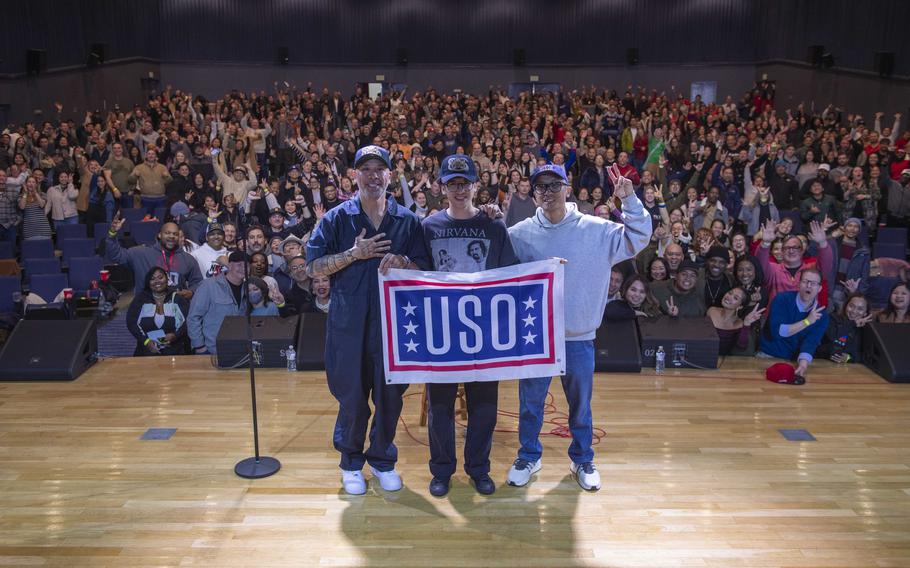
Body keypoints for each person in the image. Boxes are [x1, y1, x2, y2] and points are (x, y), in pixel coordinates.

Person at [506, 162, 651, 491]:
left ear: (567, 188)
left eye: (554, 185)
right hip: (536, 339)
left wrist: (629, 200)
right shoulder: (519, 234)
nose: (548, 192)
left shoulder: (596, 230)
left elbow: (639, 236)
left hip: (578, 336)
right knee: (530, 404)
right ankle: (529, 455)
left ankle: (583, 457)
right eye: (541, 186)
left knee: (580, 405)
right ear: (533, 193)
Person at [305, 145, 430, 495]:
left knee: (391, 396)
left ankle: (382, 459)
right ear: (354, 175)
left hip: (396, 323)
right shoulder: (335, 219)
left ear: (390, 175)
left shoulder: (407, 220)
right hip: (349, 322)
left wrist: (404, 262)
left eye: (380, 169)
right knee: (352, 395)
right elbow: (312, 266)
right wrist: (352, 254)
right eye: (366, 169)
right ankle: (350, 462)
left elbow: (426, 269)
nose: (373, 176)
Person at [420, 154, 519, 498]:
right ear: (441, 187)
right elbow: (417, 275)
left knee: (484, 408)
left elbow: (511, 273)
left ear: (476, 185)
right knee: (441, 408)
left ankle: (479, 468)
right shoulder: (429, 226)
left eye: (465, 183)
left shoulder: (494, 225)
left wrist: (549, 270)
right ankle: (442, 471)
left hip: (484, 333)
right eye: (452, 184)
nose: (459, 190)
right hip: (442, 333)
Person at [758, 267, 829, 384]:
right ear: (799, 284)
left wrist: (803, 365)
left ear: (820, 288)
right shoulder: (782, 299)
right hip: (768, 355)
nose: (809, 286)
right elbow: (778, 332)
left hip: (794, 360)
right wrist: (807, 321)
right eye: (805, 281)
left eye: (813, 283)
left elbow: (811, 342)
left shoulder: (822, 315)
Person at [106, 215, 203, 296]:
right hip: (146, 308)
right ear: (159, 235)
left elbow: (198, 282)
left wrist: (191, 291)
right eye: (167, 233)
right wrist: (112, 234)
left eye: (175, 234)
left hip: (176, 310)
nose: (171, 236)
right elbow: (117, 256)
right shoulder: (141, 254)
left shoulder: (188, 259)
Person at [756, 218, 833, 307]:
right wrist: (765, 243)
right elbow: (760, 266)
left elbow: (826, 265)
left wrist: (823, 243)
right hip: (778, 317)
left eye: (796, 247)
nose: (791, 251)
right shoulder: (773, 269)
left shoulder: (811, 269)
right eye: (787, 248)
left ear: (802, 251)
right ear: (782, 251)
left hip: (806, 318)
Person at [187, 251, 249, 355]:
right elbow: (193, 317)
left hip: (236, 350)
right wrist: (199, 346)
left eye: (247, 265)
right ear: (229, 265)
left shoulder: (247, 288)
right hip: (210, 350)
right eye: (239, 265)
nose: (243, 268)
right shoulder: (209, 285)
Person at [126, 267, 190, 356]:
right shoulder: (140, 299)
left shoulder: (177, 299)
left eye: (160, 277)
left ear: (167, 279)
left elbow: (187, 321)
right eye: (152, 279)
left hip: (175, 351)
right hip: (146, 352)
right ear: (148, 282)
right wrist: (146, 341)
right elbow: (131, 323)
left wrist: (175, 336)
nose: (157, 281)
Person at [817, 293, 872, 364]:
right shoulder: (832, 319)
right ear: (846, 306)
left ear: (865, 313)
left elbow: (866, 356)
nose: (854, 311)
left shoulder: (866, 330)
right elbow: (832, 344)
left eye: (860, 309)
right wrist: (852, 324)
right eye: (851, 306)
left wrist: (849, 358)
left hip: (849, 370)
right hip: (822, 363)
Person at [707, 288, 764, 355]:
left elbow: (742, 347)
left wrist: (746, 324)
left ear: (740, 306)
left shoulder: (740, 324)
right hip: (704, 354)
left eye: (735, 298)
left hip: (724, 361)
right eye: (730, 293)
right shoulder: (711, 311)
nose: (729, 297)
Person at [128, 148, 173, 216]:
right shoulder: (139, 167)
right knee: (146, 220)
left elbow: (169, 181)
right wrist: (134, 175)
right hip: (145, 198)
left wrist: (167, 177)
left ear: (155, 156)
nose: (151, 155)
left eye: (153, 154)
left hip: (160, 198)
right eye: (149, 154)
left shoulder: (162, 167)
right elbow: (130, 180)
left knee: (160, 219)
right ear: (146, 156)